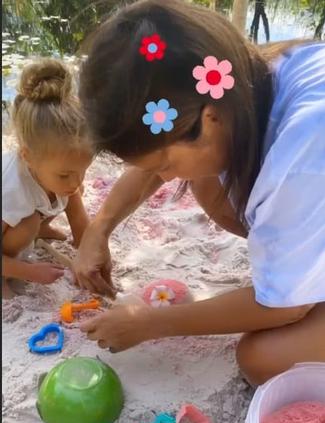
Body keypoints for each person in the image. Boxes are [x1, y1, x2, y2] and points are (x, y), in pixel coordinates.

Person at [74, 0, 325, 386]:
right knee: (205, 178)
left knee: (261, 359)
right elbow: (153, 162)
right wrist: (99, 228)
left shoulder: (302, 157)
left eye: (163, 165)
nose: (159, 175)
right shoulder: (247, 80)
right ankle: (298, 269)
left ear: (208, 120)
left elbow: (284, 310)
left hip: (309, 180)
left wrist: (149, 324)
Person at [2, 58, 92, 297]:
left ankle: (38, 229)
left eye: (82, 170)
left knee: (71, 194)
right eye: (65, 174)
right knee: (27, 223)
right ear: (28, 157)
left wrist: (91, 256)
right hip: (10, 216)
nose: (76, 181)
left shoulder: (64, 173)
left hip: (26, 207)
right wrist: (29, 271)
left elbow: (80, 221)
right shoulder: (12, 192)